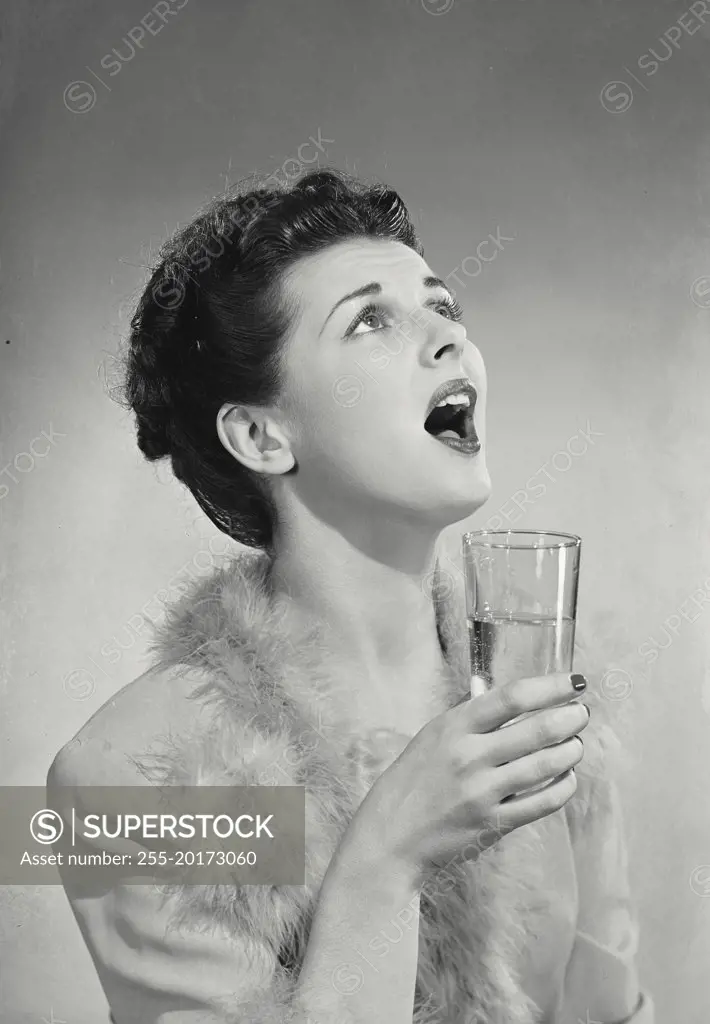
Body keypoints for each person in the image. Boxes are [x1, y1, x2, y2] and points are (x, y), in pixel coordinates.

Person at [47, 168, 654, 1023]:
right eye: (371, 320)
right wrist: (385, 857)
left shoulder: (547, 700)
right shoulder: (121, 782)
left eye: (445, 308)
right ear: (260, 434)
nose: (450, 340)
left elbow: (610, 1009)